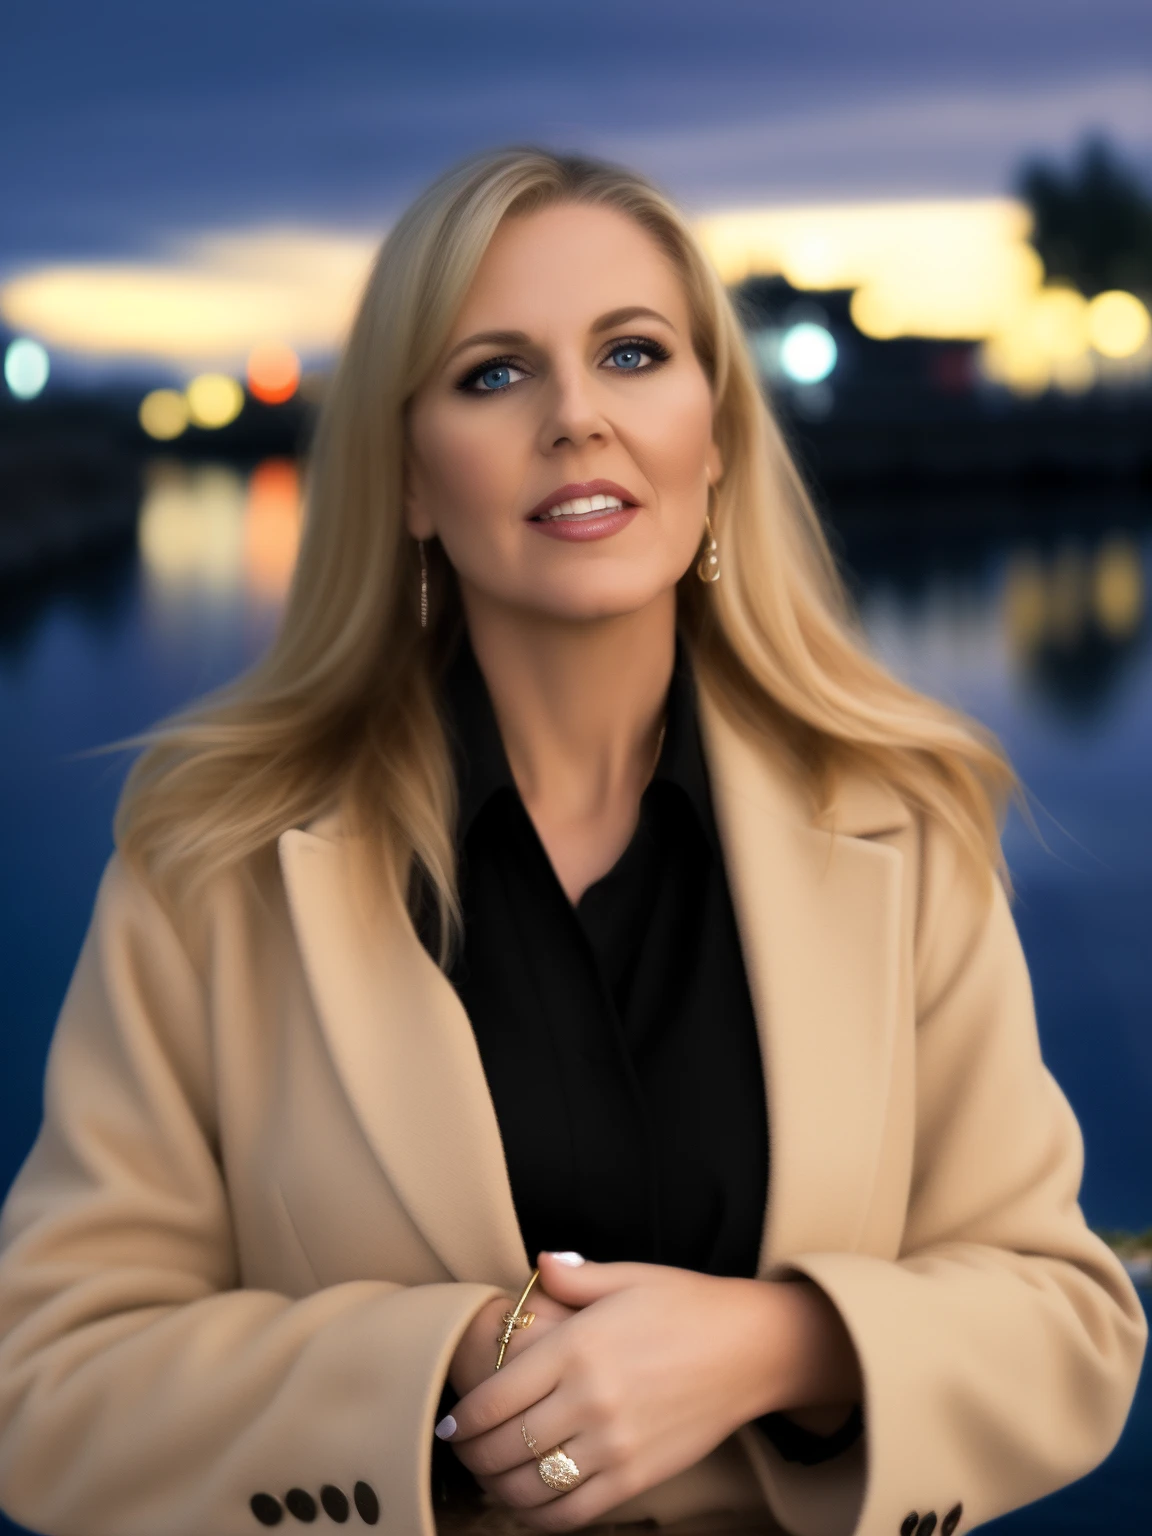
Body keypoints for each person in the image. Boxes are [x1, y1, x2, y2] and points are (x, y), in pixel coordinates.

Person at [0, 146, 1144, 1536]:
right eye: (495, 372)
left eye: (634, 353)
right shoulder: (214, 858)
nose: (577, 418)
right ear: (410, 475)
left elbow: (1068, 1316)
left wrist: (779, 1345)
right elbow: (46, 1386)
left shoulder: (906, 818)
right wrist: (451, 1368)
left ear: (715, 437)